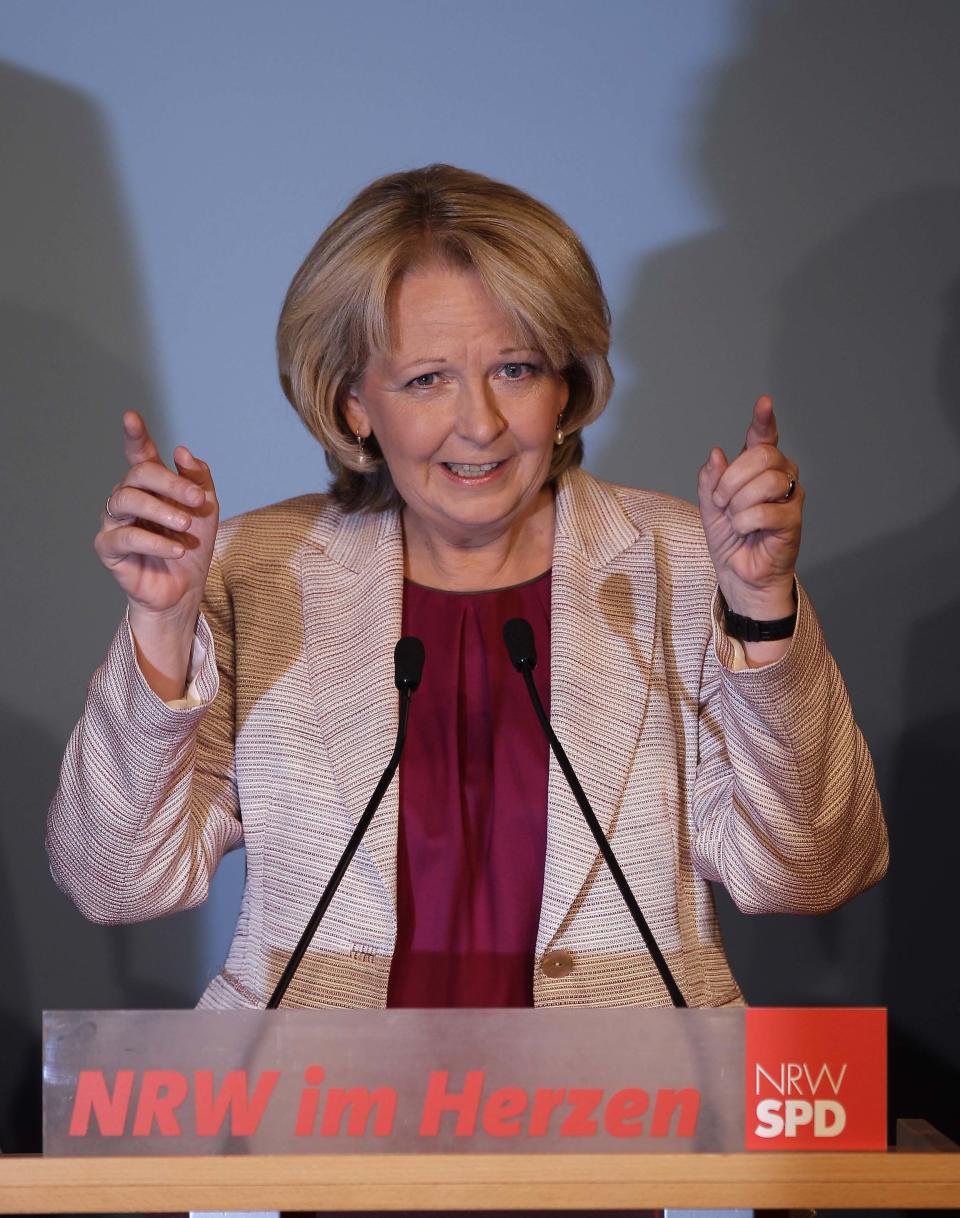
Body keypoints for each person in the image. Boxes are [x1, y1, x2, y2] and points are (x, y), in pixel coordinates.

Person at [46, 164, 887, 1010]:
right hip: (321, 1116)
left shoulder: (687, 565)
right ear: (353, 406)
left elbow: (810, 872)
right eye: (426, 380)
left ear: (566, 387)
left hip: (628, 1115)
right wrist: (161, 627)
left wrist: (764, 612)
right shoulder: (254, 574)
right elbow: (118, 883)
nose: (480, 423)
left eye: (516, 370)